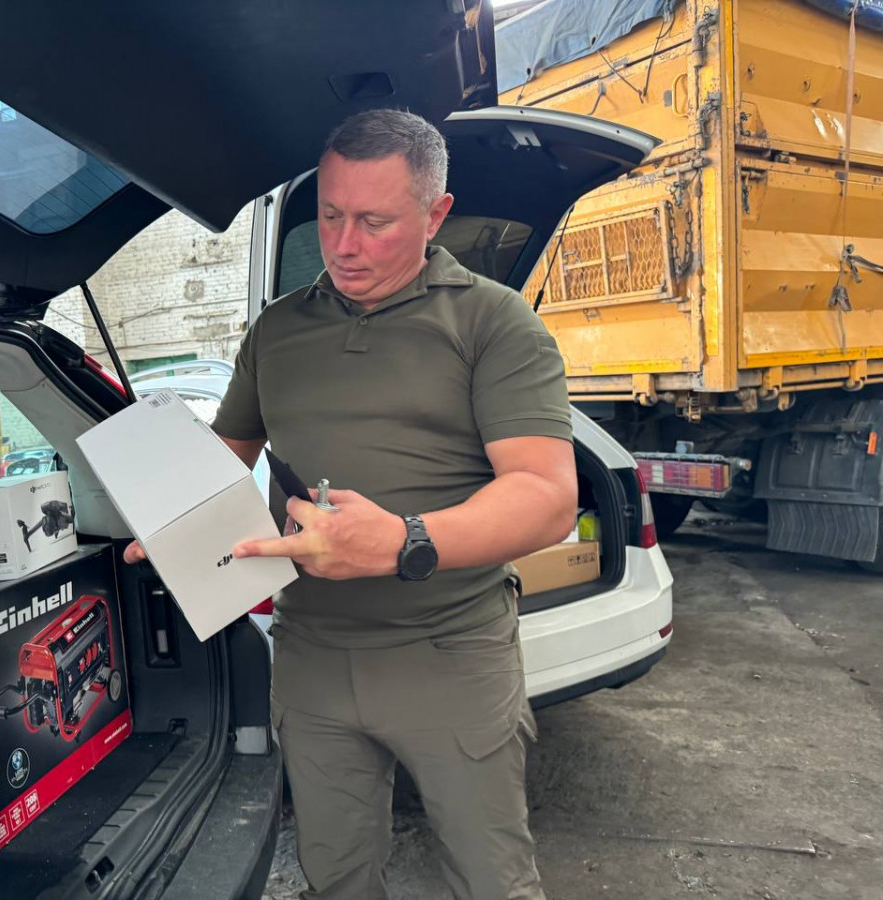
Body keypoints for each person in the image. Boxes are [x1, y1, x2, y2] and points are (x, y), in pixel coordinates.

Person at [126, 108, 576, 900]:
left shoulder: (493, 322)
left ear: (435, 214)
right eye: (330, 216)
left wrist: (404, 539)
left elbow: (546, 499)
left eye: (374, 221)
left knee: (491, 880)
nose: (343, 244)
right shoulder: (278, 330)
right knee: (334, 877)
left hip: (451, 651)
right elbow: (227, 459)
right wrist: (174, 525)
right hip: (312, 654)